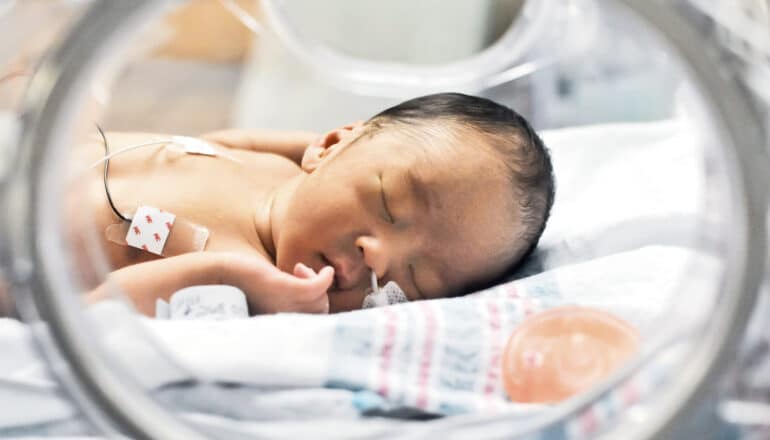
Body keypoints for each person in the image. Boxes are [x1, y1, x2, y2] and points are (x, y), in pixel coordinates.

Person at [73, 93, 554, 315]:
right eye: (387, 203)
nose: (379, 257)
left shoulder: (257, 285)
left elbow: (94, 311)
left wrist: (223, 277)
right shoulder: (270, 168)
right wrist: (337, 150)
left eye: (416, 278)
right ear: (327, 147)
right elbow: (216, 142)